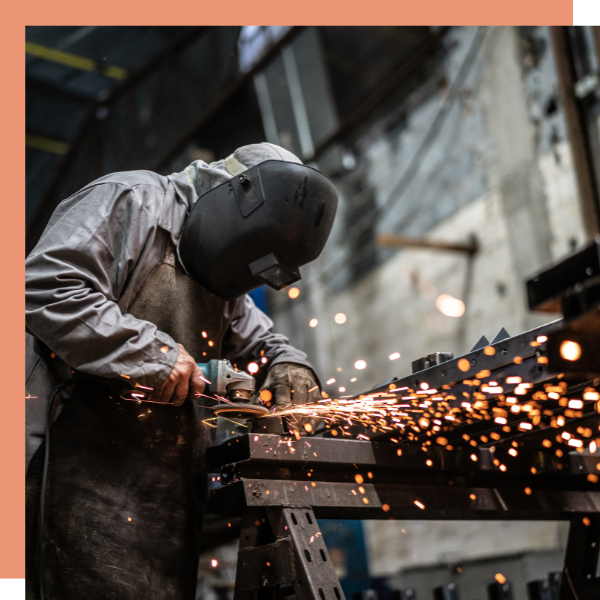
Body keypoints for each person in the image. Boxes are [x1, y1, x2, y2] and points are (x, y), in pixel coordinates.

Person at [25, 142, 338, 599]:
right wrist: (154, 355)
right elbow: (47, 286)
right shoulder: (133, 200)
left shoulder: (226, 279)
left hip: (166, 495)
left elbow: (266, 342)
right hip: (75, 467)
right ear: (236, 197)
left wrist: (291, 365)